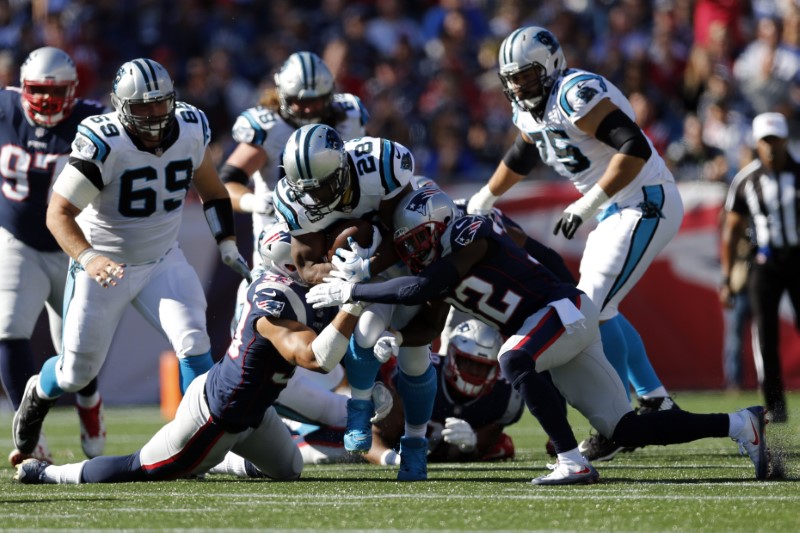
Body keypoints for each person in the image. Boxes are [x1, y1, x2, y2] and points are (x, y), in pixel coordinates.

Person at [306, 187, 772, 484]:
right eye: (406, 245)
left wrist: (355, 289)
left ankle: (570, 459)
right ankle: (738, 425)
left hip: (556, 313)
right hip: (556, 322)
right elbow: (428, 315)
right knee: (623, 427)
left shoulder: (471, 234)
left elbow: (428, 284)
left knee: (513, 360)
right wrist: (394, 335)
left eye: (417, 240)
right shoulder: (437, 258)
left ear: (440, 225)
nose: (412, 251)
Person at [11, 57, 252, 464]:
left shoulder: (191, 126)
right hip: (105, 266)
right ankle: (38, 390)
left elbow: (213, 191)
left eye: (161, 104)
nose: (155, 115)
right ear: (121, 108)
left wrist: (226, 241)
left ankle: (196, 445)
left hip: (162, 259)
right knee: (76, 373)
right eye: (142, 107)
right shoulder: (105, 140)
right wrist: (88, 257)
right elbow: (58, 212)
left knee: (194, 342)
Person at [465, 26, 683, 461]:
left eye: (525, 76)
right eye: (511, 79)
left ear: (550, 67)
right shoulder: (532, 110)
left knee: (593, 307)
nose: (517, 87)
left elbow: (634, 147)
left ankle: (619, 423)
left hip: (643, 199)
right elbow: (526, 152)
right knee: (596, 304)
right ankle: (654, 400)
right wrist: (486, 196)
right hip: (615, 208)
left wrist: (587, 204)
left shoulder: (575, 94)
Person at [13, 254, 368, 484]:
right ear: (288, 268)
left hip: (255, 414)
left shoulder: (296, 293)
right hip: (215, 417)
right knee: (142, 469)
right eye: (309, 260)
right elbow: (316, 358)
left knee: (289, 469)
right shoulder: (273, 304)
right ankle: (48, 474)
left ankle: (214, 463)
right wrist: (352, 305)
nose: (319, 267)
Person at [274, 123, 437, 481]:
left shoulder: (379, 163)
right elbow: (305, 265)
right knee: (362, 331)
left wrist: (367, 265)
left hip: (408, 263)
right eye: (309, 190)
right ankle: (359, 410)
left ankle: (415, 445)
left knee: (414, 359)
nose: (316, 197)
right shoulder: (292, 195)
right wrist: (343, 272)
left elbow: (406, 234)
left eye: (325, 185)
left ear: (344, 167)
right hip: (364, 274)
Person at [0, 47, 108, 465]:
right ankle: (32, 437)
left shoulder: (95, 121)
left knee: (77, 347)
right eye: (38, 91)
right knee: (8, 329)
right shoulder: (5, 106)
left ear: (73, 90)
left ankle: (90, 404)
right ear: (21, 88)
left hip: (73, 245)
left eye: (55, 91)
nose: (45, 101)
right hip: (18, 240)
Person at [220, 51, 369, 268]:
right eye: (300, 101)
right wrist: (255, 202)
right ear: (282, 95)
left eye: (316, 101)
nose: (308, 109)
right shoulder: (269, 127)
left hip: (339, 237)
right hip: (283, 242)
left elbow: (368, 159)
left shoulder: (349, 117)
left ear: (329, 94)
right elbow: (225, 184)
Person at [720, 111, 800, 423]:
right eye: (764, 141)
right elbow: (732, 231)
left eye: (775, 140)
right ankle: (776, 407)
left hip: (798, 260)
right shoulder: (745, 181)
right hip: (764, 263)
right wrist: (727, 278)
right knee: (765, 335)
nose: (770, 147)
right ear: (756, 142)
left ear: (784, 139)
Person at [366, 318, 524, 466]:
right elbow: (371, 437)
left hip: (439, 452)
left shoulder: (504, 395)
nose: (474, 372)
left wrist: (469, 447)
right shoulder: (421, 376)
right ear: (451, 355)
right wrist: (393, 459)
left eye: (483, 366)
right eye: (467, 362)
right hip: (394, 442)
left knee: (502, 449)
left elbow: (473, 454)